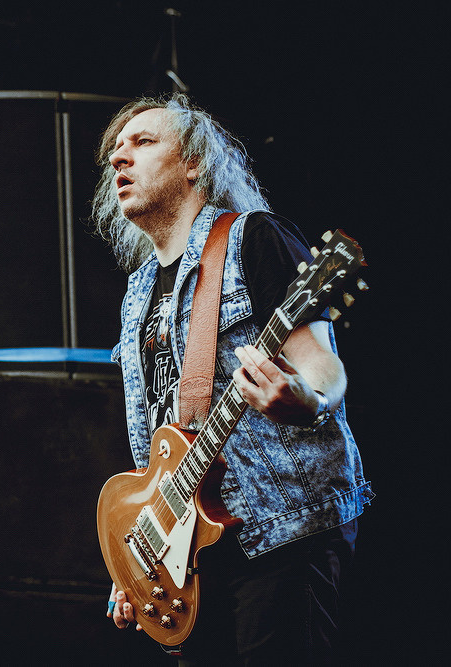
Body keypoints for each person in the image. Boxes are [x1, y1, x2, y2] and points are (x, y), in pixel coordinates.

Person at [90, 94, 373, 665]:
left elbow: (322, 363)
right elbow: (158, 446)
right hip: (193, 557)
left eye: (143, 142)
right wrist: (140, 558)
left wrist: (308, 399)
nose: (120, 157)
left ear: (193, 163)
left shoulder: (253, 239)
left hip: (280, 530)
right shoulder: (137, 293)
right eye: (116, 150)